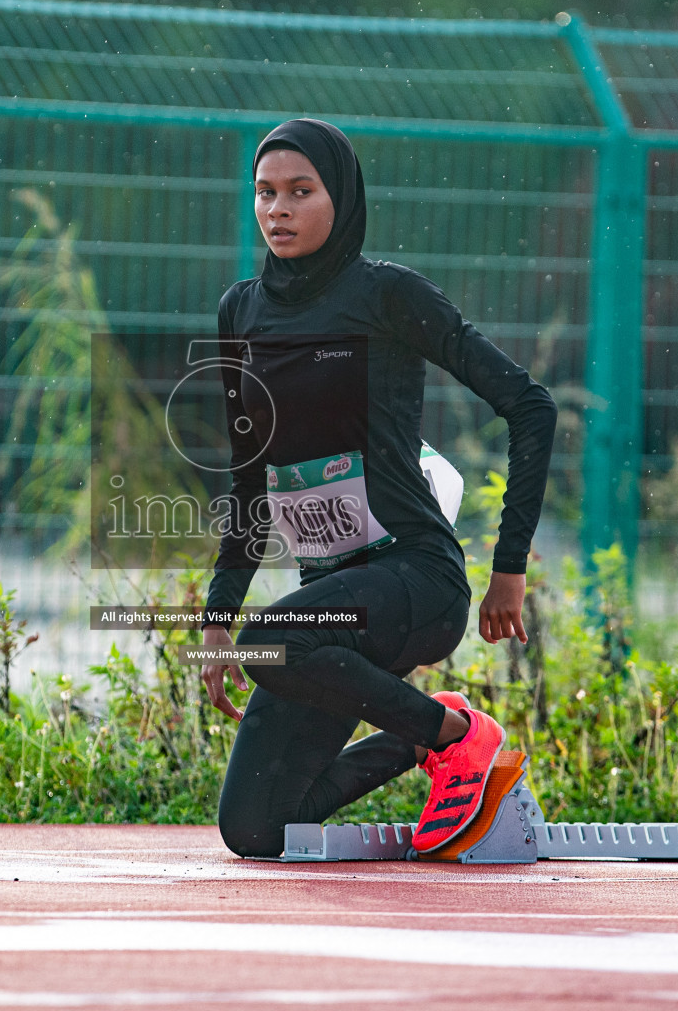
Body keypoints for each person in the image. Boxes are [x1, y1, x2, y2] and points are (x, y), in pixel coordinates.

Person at [197, 118, 559, 859]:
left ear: (343, 198)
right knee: (257, 830)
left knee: (273, 636)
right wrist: (214, 619)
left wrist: (509, 570)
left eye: (302, 192)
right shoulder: (241, 312)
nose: (279, 210)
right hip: (328, 612)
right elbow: (250, 486)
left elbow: (531, 406)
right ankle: (432, 730)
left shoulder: (387, 295)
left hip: (414, 579)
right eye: (265, 193)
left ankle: (456, 738)